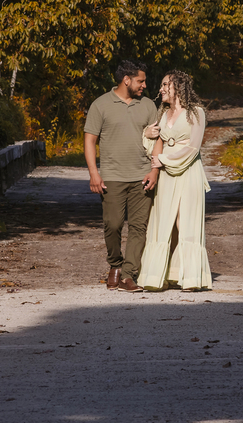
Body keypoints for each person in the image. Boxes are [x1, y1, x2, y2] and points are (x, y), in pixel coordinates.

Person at [84, 60, 161, 293]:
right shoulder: (100, 105)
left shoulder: (148, 106)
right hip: (112, 177)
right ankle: (115, 265)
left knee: (139, 227)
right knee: (113, 224)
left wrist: (155, 170)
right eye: (140, 81)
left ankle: (128, 275)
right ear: (126, 80)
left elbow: (158, 139)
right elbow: (89, 140)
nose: (144, 85)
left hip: (142, 176)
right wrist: (93, 173)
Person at [137, 70, 212, 291]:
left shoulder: (196, 113)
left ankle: (190, 278)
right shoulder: (163, 114)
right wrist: (148, 136)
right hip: (166, 173)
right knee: (163, 221)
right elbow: (157, 144)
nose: (160, 89)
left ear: (178, 87)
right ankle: (158, 276)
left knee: (184, 220)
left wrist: (163, 159)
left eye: (164, 85)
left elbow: (192, 148)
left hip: (188, 171)